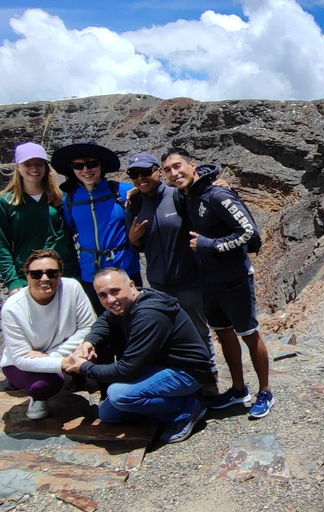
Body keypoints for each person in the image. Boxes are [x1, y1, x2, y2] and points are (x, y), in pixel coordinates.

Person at [161, 147, 274, 419]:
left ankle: (265, 392)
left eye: (178, 166)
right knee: (223, 333)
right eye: (167, 170)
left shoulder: (217, 194)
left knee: (248, 333)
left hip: (234, 278)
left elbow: (248, 232)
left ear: (191, 164)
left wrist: (209, 245)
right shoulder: (189, 195)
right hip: (209, 280)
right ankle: (238, 389)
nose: (174, 173)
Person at [63, 267, 213, 444]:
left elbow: (128, 369)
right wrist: (90, 341)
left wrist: (84, 368)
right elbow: (105, 319)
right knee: (108, 414)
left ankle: (186, 409)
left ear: (132, 285)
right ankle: (167, 403)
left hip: (187, 371)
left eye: (114, 291)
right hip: (156, 365)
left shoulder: (149, 314)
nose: (110, 300)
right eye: (102, 295)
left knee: (119, 395)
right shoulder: (126, 304)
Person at [124, 152, 218, 383]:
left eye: (145, 172)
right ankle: (178, 381)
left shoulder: (178, 195)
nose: (140, 178)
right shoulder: (134, 203)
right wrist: (133, 239)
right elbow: (140, 246)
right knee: (165, 335)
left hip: (189, 282)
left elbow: (204, 194)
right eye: (134, 174)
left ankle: (208, 380)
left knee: (198, 332)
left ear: (158, 171)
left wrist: (219, 183)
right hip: (157, 285)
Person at [1, 250, 96, 419]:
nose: (44, 279)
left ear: (60, 273)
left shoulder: (72, 288)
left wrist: (52, 356)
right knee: (43, 385)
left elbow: (88, 328)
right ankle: (38, 399)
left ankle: (105, 393)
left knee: (101, 343)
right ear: (27, 276)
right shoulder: (12, 308)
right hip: (19, 364)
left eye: (52, 273)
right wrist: (64, 361)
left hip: (58, 352)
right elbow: (21, 357)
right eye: (36, 274)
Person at [51, 142, 142, 315]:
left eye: (92, 164)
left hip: (125, 268)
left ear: (101, 166)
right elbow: (69, 230)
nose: (86, 170)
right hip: (90, 273)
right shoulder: (69, 199)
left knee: (135, 318)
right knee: (103, 322)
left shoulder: (123, 191)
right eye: (79, 166)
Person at [0, 142, 79, 294]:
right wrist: (12, 282)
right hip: (29, 277)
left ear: (46, 167)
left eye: (39, 164)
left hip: (65, 274)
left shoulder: (60, 198)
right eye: (28, 164)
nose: (34, 168)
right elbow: (2, 245)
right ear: (18, 167)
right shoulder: (6, 201)